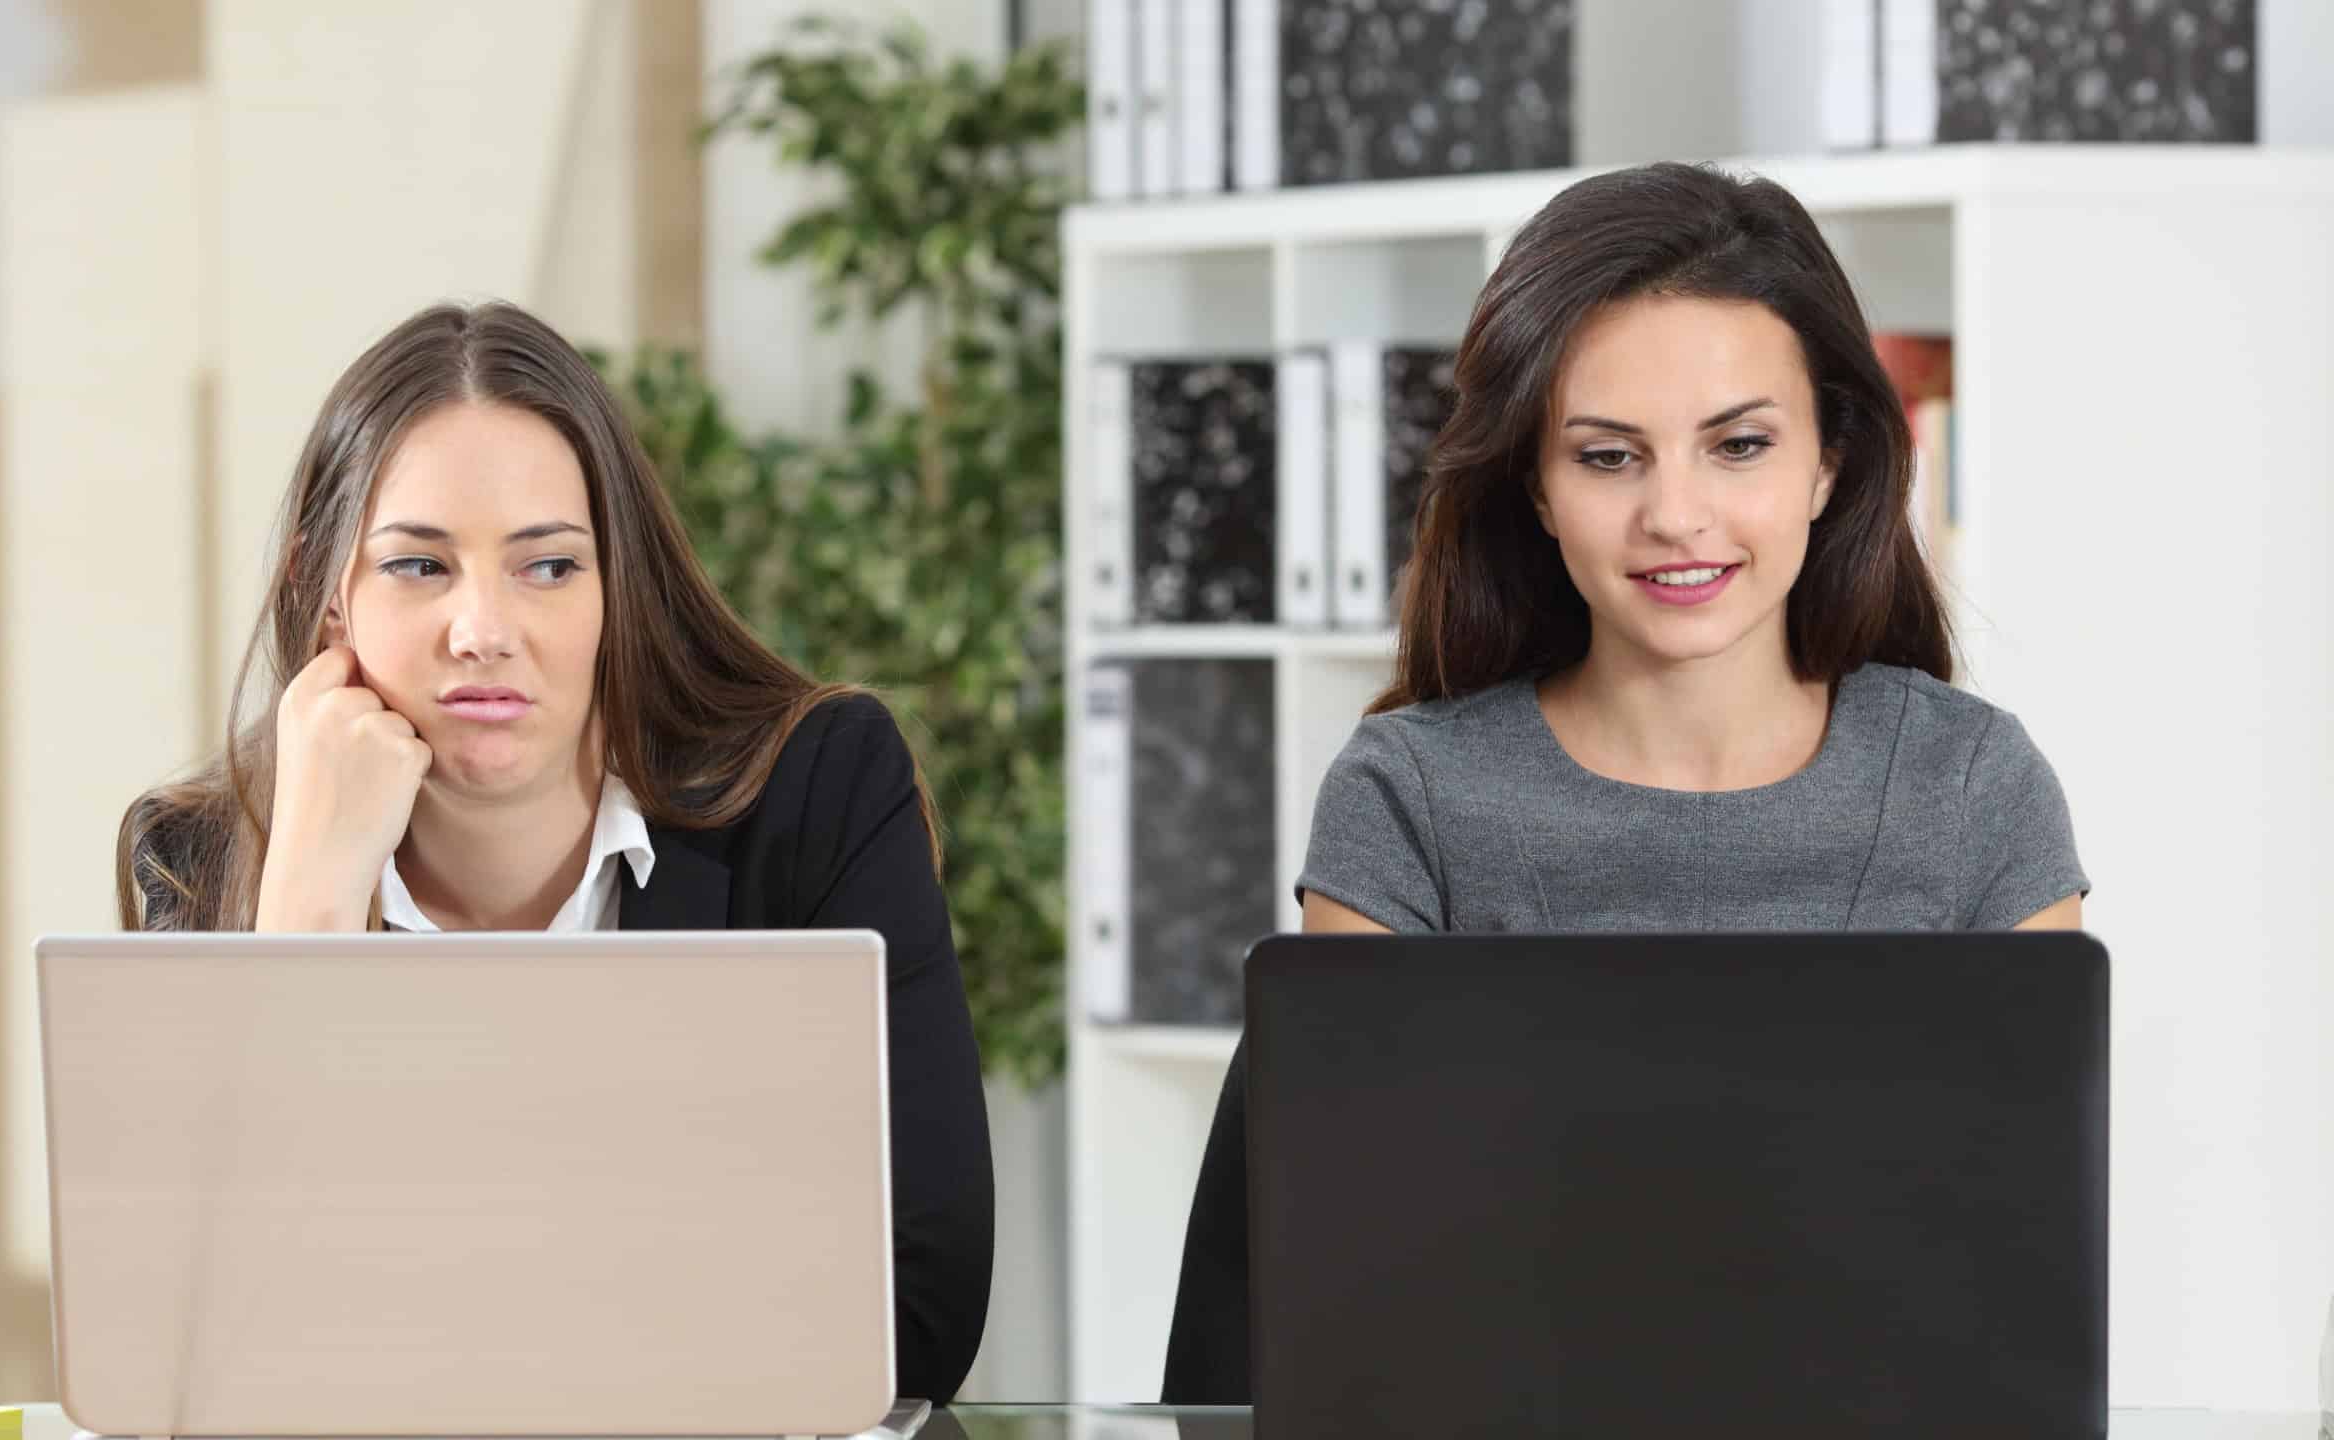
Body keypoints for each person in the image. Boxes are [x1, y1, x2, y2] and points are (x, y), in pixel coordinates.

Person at [1160, 160, 2088, 1402]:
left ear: (1830, 463)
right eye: (1608, 458)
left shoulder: (1972, 788)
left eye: (1739, 446)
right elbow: (1356, 1293)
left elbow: (2018, 1292)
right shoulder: (1409, 797)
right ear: (1536, 485)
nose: (1676, 515)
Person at [116, 300, 993, 1402]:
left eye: (547, 568)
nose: (484, 628)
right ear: (320, 592)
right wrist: (308, 906)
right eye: (419, 567)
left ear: (616, 586)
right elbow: (190, 1361)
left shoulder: (814, 794)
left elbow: (917, 1320)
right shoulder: (201, 852)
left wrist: (409, 1324)